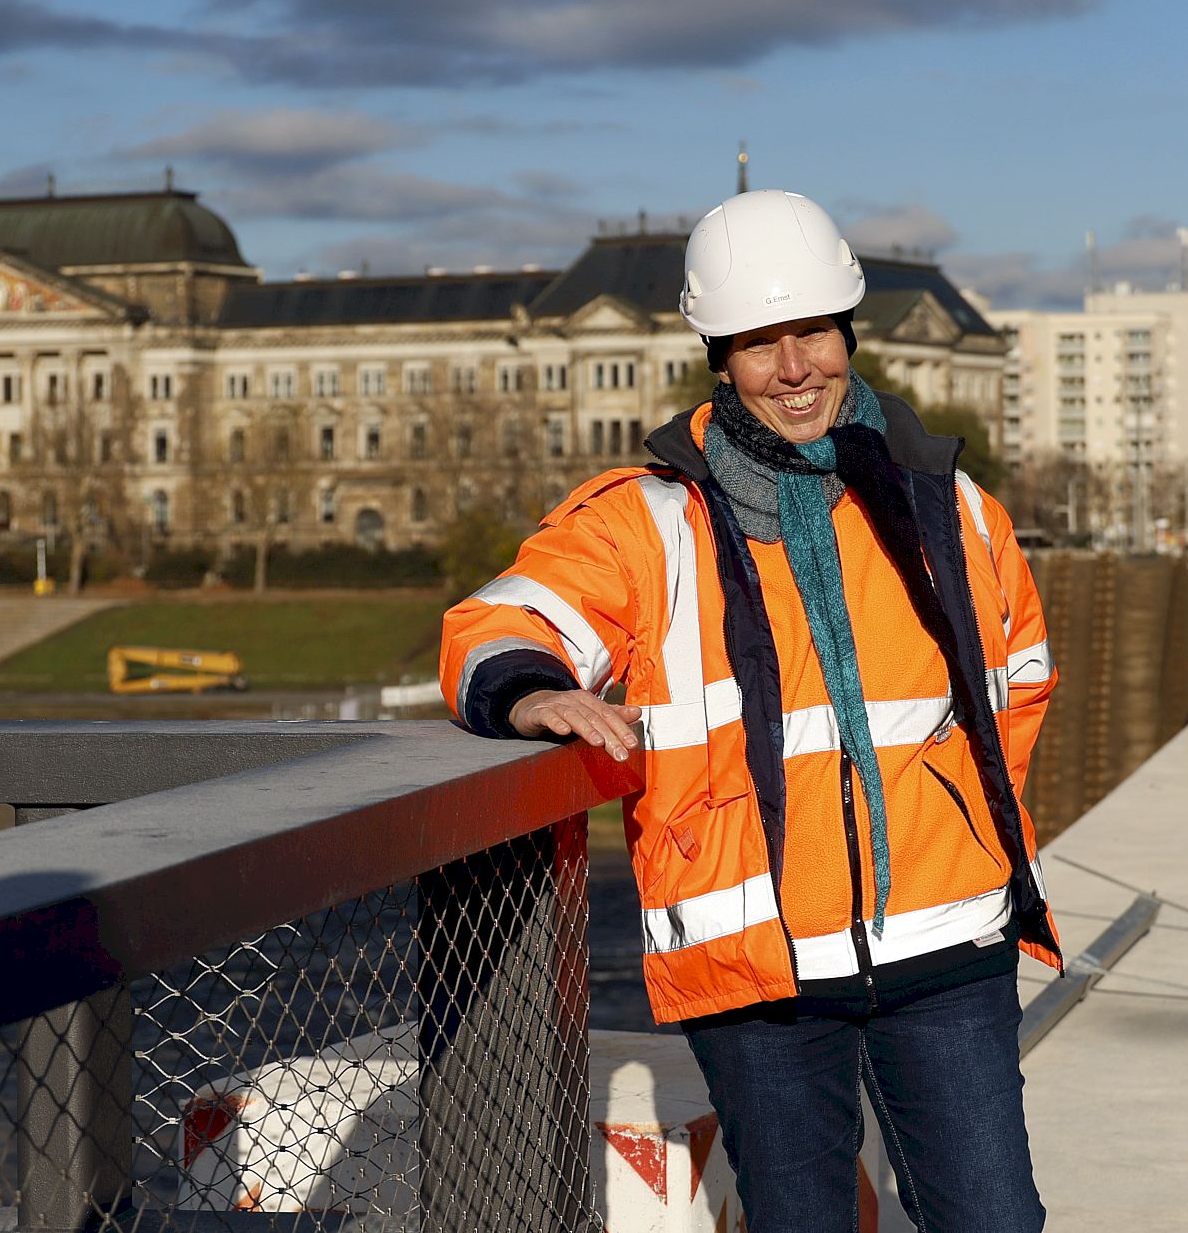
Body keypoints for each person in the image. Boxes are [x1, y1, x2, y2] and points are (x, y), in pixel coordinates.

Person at [440, 189, 1060, 1230]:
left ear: (847, 331)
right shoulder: (644, 518)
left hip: (947, 950)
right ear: (717, 357)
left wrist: (958, 828)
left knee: (995, 1218)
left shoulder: (947, 506)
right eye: (759, 342)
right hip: (755, 968)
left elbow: (1021, 679)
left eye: (811, 331)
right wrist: (531, 687)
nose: (795, 366)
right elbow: (502, 620)